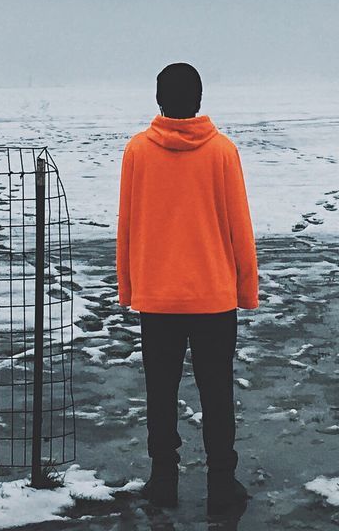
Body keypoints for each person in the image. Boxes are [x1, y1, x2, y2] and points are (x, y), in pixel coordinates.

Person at [116, 62, 259, 514]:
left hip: (157, 297)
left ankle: (163, 481)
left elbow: (127, 225)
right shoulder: (222, 152)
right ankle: (222, 481)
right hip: (214, 298)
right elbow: (241, 228)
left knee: (160, 392)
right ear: (199, 100)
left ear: (160, 100)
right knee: (217, 393)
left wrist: (128, 288)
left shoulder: (138, 151)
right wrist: (246, 289)